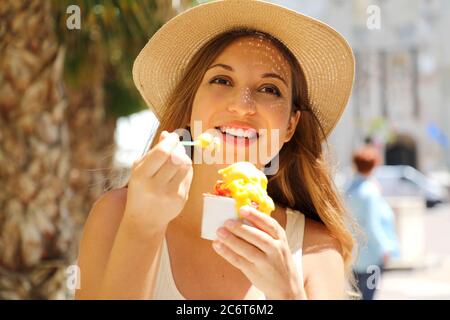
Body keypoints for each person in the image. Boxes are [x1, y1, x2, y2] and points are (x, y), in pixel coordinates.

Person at [75, 0, 356, 300]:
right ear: (189, 109)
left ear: (290, 125)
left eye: (269, 89)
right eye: (222, 80)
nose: (242, 105)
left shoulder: (316, 249)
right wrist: (142, 228)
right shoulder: (116, 216)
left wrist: (288, 293)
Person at [345, 146, 400, 300]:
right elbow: (373, 225)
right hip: (371, 256)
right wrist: (385, 248)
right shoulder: (370, 192)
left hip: (353, 256)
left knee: (356, 296)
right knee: (369, 295)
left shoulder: (347, 188)